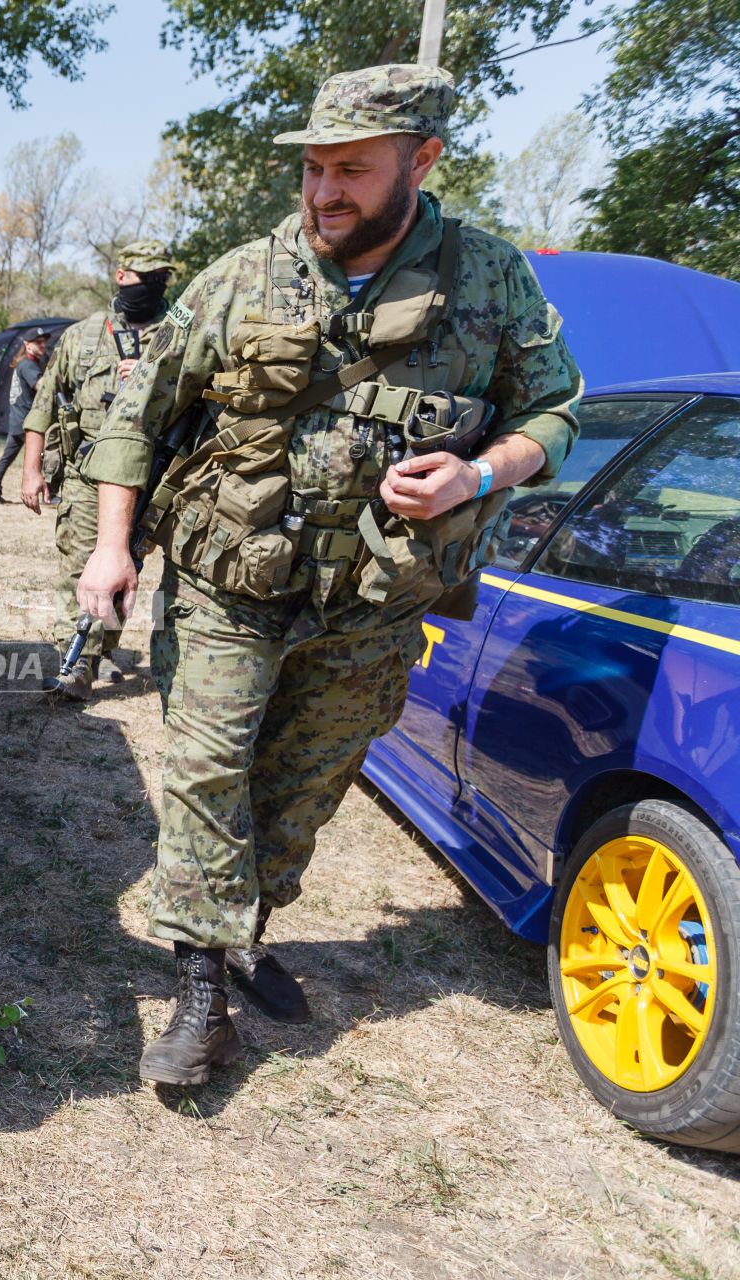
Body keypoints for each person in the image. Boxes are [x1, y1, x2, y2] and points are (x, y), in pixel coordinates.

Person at [73, 64, 581, 1087]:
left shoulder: (488, 280)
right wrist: (112, 544)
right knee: (210, 770)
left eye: (351, 169)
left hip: (374, 601)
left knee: (297, 787)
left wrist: (480, 472)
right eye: (313, 169)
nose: (323, 192)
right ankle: (203, 988)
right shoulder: (241, 276)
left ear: (422, 160)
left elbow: (556, 411)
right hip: (229, 577)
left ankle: (243, 926)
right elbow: (142, 415)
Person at [19, 240, 179, 696]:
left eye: (158, 279)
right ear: (120, 275)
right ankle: (76, 663)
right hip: (87, 472)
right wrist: (32, 470)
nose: (148, 286)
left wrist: (151, 378)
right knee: (79, 564)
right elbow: (44, 404)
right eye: (139, 277)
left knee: (128, 566)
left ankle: (100, 646)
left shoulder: (179, 333)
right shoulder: (83, 335)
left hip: (150, 475)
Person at [0, 326, 51, 503]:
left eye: (44, 342)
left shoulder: (25, 362)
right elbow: (41, 385)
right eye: (38, 342)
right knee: (48, 454)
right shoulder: (28, 364)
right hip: (27, 422)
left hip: (18, 420)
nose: (43, 345)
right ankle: (49, 494)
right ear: (27, 345)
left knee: (7, 457)